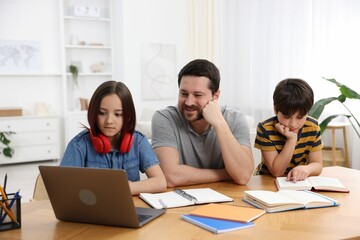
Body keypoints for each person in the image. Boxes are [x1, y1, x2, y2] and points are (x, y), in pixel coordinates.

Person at [151, 59, 254, 187]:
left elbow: (243, 176)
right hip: (181, 202)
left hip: (228, 200)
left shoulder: (235, 119)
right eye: (184, 93)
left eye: (198, 95)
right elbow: (170, 176)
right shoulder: (164, 118)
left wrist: (219, 124)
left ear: (215, 96)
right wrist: (226, 173)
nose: (189, 102)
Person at [60, 81, 167, 195]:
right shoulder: (79, 145)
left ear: (128, 116)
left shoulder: (138, 141)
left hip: (129, 209)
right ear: (94, 114)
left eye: (118, 114)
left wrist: (126, 188)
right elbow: (63, 187)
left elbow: (160, 182)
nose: (109, 121)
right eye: (102, 113)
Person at [254, 78, 323, 182]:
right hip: (267, 182)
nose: (293, 124)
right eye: (286, 117)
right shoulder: (265, 129)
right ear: (275, 109)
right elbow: (277, 172)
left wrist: (307, 169)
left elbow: (317, 165)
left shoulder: (312, 127)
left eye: (300, 117)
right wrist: (291, 140)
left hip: (297, 183)